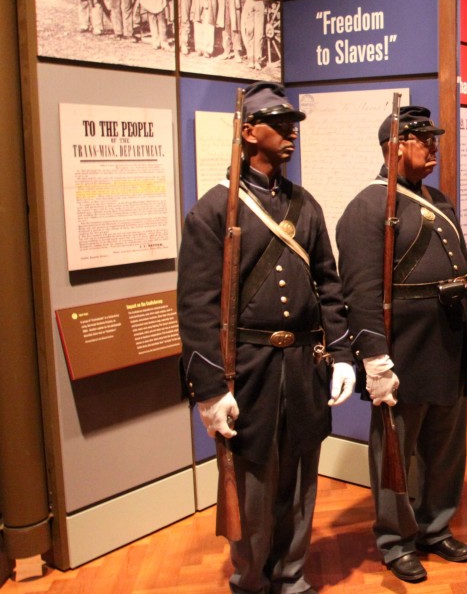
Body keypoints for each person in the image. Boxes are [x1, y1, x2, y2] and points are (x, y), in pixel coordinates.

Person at [178, 82, 356, 594]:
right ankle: (251, 580)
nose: (290, 134)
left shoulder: (305, 205)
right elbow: (196, 307)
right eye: (279, 125)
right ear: (249, 132)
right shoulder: (215, 209)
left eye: (292, 125)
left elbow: (329, 284)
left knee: (300, 478)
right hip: (249, 366)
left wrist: (343, 354)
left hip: (302, 364)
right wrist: (210, 390)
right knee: (253, 485)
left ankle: (291, 574)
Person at [335, 106, 467, 584]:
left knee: (446, 447)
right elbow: (359, 292)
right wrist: (373, 357)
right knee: (395, 450)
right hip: (403, 351)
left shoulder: (437, 199)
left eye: (434, 139)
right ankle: (395, 540)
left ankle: (436, 527)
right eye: (424, 139)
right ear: (395, 147)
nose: (434, 146)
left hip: (446, 343)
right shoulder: (367, 207)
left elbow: (463, 269)